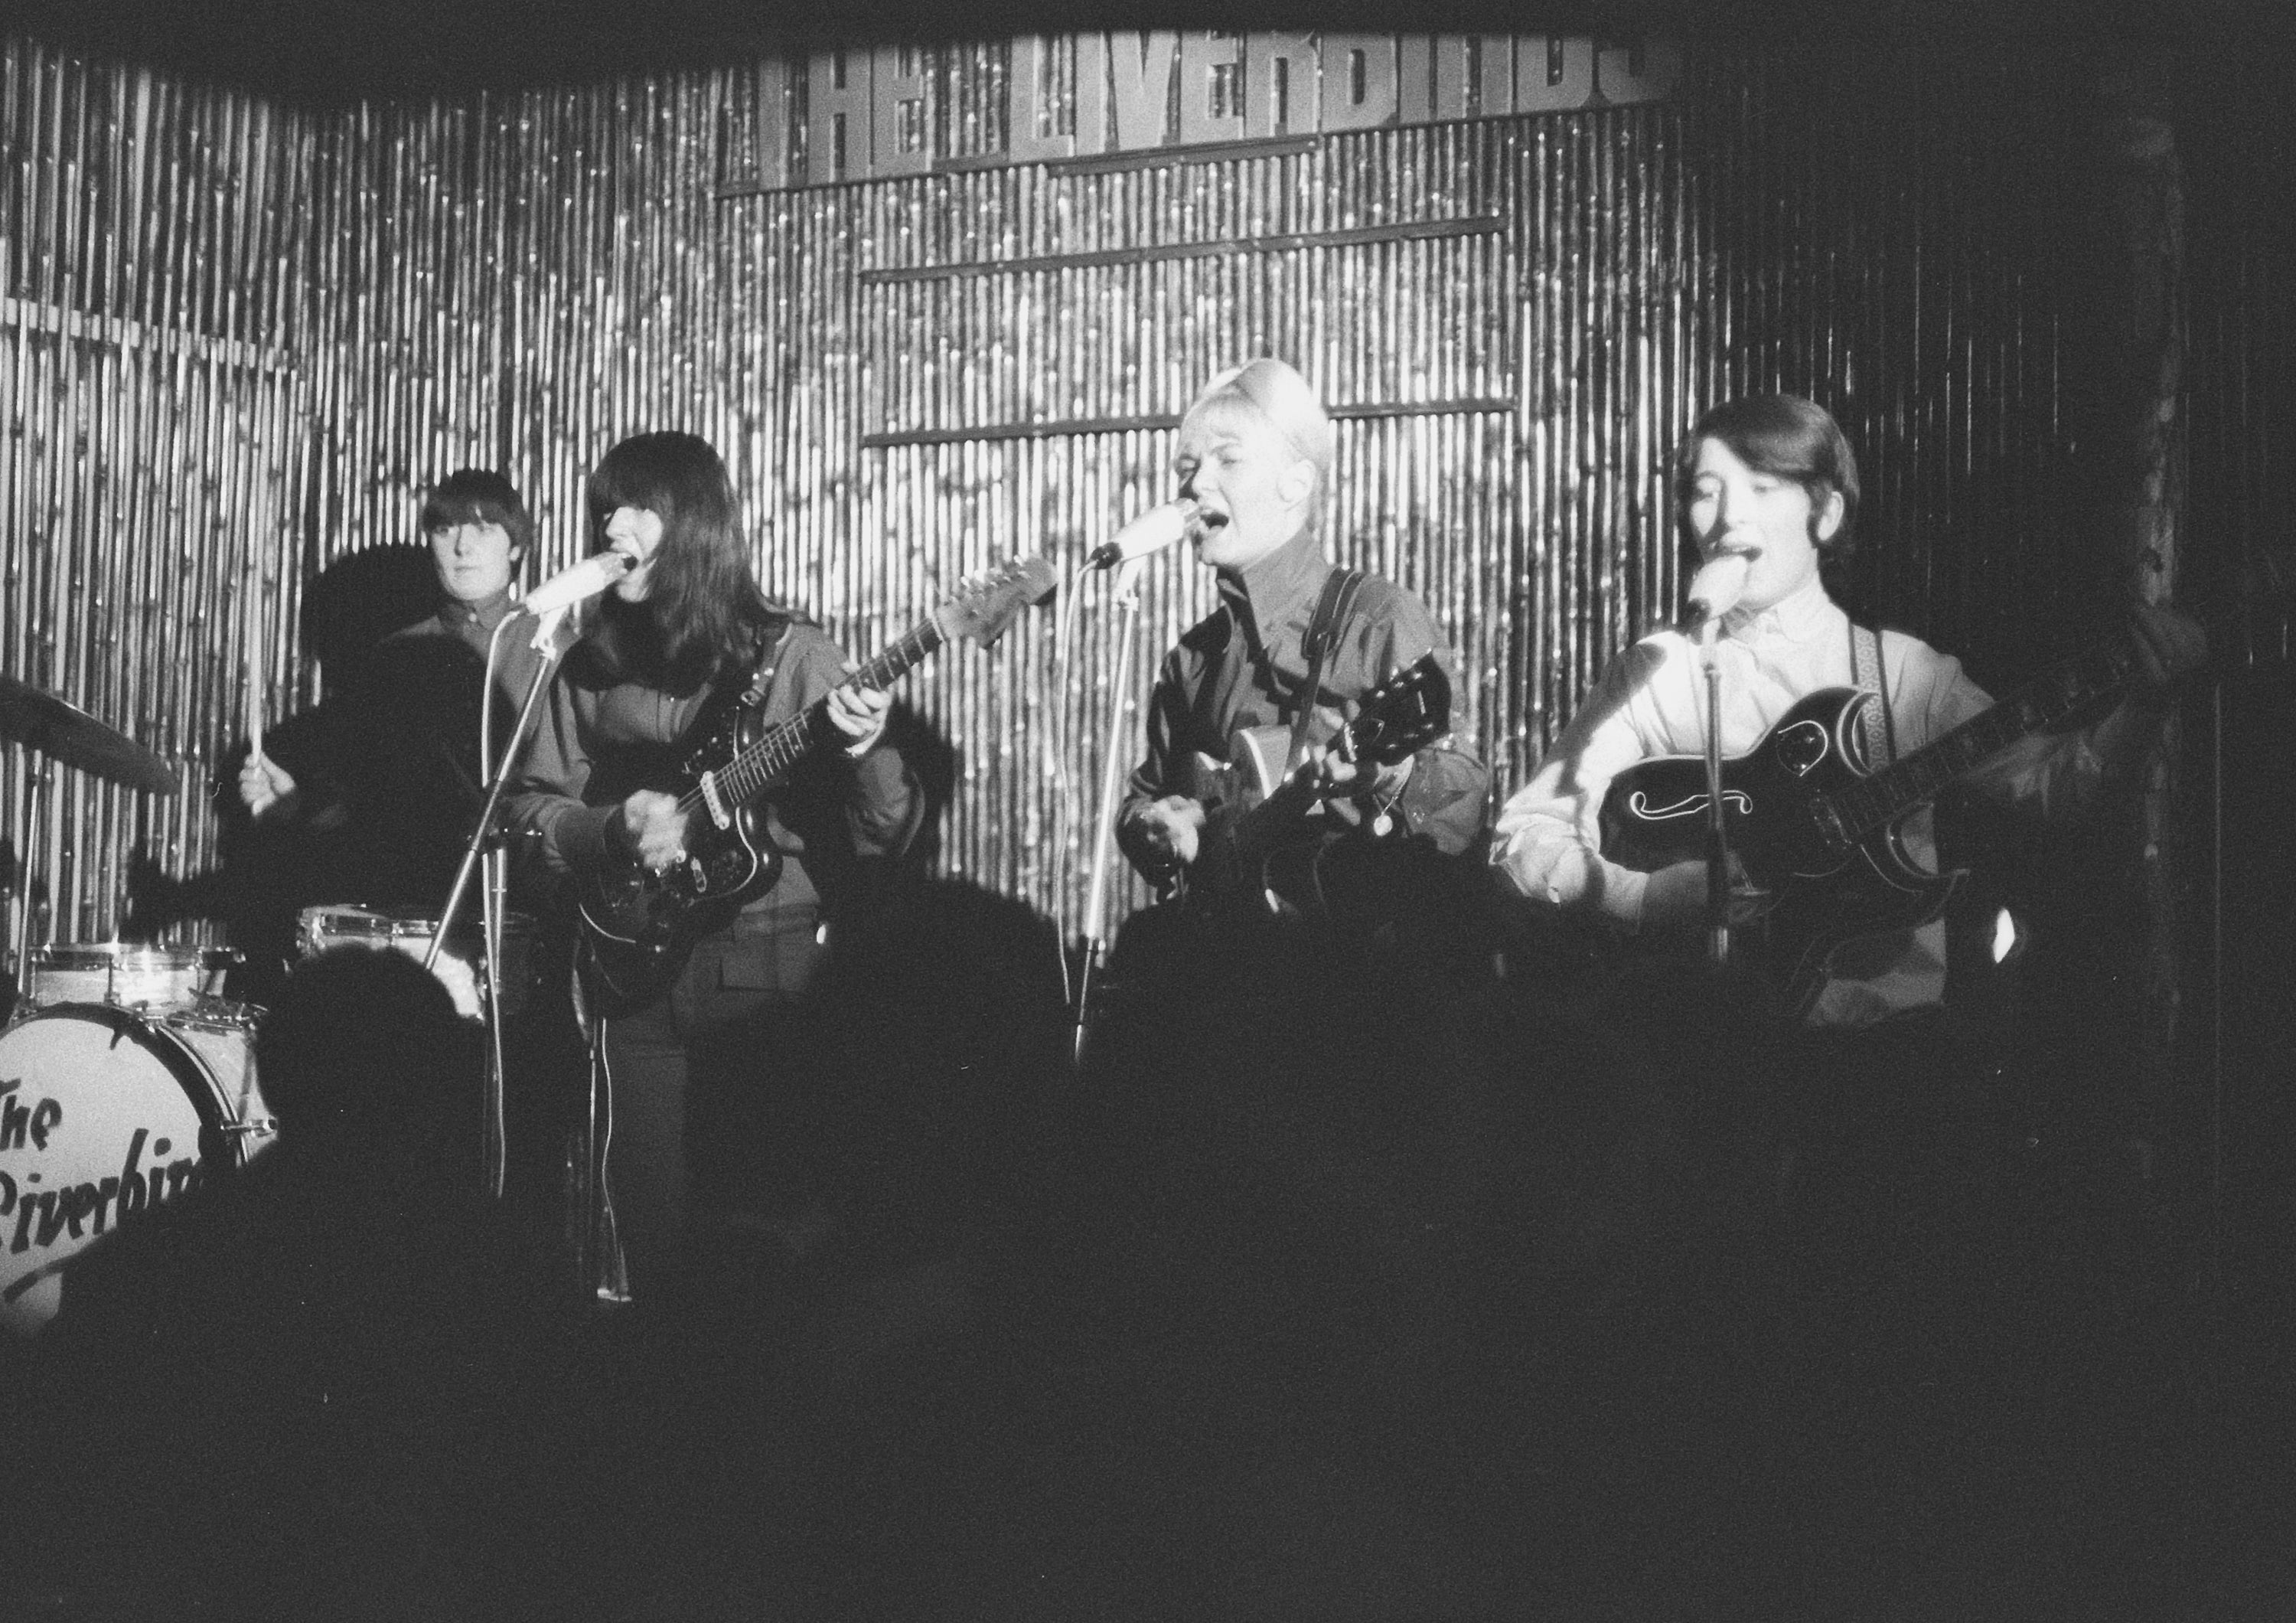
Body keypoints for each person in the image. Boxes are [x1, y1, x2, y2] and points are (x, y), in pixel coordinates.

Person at [503, 431, 921, 1300]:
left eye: (638, 506)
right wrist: (608, 828)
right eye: (604, 506)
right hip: (630, 969)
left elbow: (884, 831)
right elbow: (526, 809)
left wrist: (870, 744)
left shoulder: (793, 653)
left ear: (693, 526)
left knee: (761, 1248)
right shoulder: (586, 662)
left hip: (761, 970)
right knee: (651, 1250)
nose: (612, 523)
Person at [1116, 358, 1489, 912]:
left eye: (1228, 460)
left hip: (1346, 973)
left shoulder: (1377, 618)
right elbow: (1146, 799)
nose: (1194, 485)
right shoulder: (1192, 661)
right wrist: (1155, 827)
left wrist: (1390, 778)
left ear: (1296, 482)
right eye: (1186, 466)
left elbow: (1464, 802)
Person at [237, 468, 550, 918]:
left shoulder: (555, 651)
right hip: (411, 905)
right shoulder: (390, 659)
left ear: (517, 546)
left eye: (482, 529)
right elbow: (363, 806)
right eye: (445, 530)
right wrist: (296, 806)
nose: (462, 547)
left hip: (525, 903)